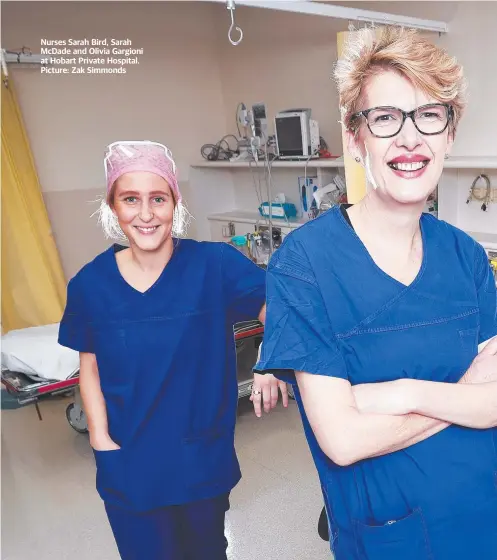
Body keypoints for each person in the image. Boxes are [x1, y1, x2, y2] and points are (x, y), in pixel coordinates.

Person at [254, 27, 497, 560]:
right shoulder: (304, 265)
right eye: (385, 118)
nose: (410, 139)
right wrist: (463, 397)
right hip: (392, 535)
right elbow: (342, 440)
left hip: (485, 514)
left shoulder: (465, 256)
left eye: (430, 115)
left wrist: (400, 393)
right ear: (356, 136)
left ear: (449, 134)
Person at [58, 140, 287, 560]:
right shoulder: (90, 285)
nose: (145, 214)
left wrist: (269, 359)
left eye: (157, 199)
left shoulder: (214, 265)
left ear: (174, 204)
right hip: (129, 461)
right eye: (131, 199)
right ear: (113, 207)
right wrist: (101, 442)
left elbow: (277, 307)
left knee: (206, 552)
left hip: (200, 458)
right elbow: (89, 368)